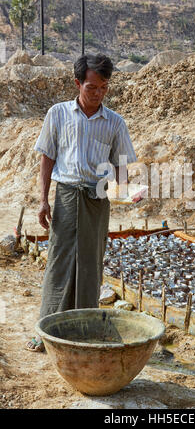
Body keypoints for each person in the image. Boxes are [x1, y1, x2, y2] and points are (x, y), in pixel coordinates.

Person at [26, 54, 137, 352]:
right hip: (66, 196)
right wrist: (43, 201)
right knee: (59, 264)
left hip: (97, 199)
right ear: (78, 83)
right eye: (91, 87)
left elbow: (121, 165)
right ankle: (46, 331)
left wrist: (125, 190)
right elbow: (47, 157)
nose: (98, 93)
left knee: (90, 266)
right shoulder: (58, 114)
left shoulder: (114, 123)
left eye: (103, 87)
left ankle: (81, 332)